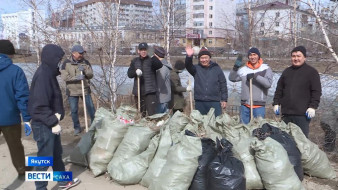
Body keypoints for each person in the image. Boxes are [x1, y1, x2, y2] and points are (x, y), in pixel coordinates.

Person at [28, 44, 80, 190]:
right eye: (58, 59)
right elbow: (38, 106)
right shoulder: (43, 76)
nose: (59, 62)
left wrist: (55, 119)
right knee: (44, 159)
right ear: (51, 58)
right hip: (44, 124)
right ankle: (41, 187)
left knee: (57, 153)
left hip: (50, 122)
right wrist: (52, 122)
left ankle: (63, 181)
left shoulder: (49, 73)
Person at [273, 46, 322, 138]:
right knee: (286, 140)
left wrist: (313, 107)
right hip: (286, 114)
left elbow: (316, 91)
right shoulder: (287, 72)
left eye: (298, 56)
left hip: (302, 115)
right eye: (293, 56)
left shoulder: (311, 72)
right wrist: (276, 103)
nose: (296, 59)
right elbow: (279, 89)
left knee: (301, 141)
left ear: (304, 57)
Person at [0, 39, 32, 179]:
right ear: (10, 54)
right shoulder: (16, 71)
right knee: (15, 145)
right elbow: (23, 97)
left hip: (9, 116)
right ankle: (21, 169)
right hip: (10, 117)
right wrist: (27, 119)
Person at [229, 47, 273, 124]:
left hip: (258, 106)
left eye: (254, 55)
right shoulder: (244, 70)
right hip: (245, 106)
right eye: (250, 55)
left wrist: (256, 76)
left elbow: (268, 84)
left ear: (258, 56)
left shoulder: (265, 68)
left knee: (258, 130)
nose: (252, 57)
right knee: (243, 129)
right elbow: (232, 78)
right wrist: (235, 68)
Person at [60, 44, 95, 136]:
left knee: (91, 108)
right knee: (74, 110)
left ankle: (93, 125)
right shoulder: (66, 63)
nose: (81, 55)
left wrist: (85, 70)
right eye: (80, 53)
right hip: (72, 91)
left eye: (82, 53)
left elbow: (91, 75)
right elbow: (65, 77)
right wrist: (77, 77)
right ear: (73, 53)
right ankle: (77, 127)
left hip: (85, 89)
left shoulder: (85, 62)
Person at [185, 46, 228, 117]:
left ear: (209, 58)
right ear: (199, 59)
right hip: (200, 101)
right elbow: (188, 65)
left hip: (214, 101)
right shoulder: (196, 69)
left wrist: (224, 99)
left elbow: (223, 84)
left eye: (206, 58)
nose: (204, 60)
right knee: (200, 123)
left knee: (215, 123)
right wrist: (189, 56)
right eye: (202, 58)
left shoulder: (216, 68)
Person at [127, 42, 163, 117]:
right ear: (138, 51)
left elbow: (159, 65)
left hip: (150, 92)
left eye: (145, 50)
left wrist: (152, 55)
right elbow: (129, 74)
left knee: (152, 115)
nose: (143, 51)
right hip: (138, 92)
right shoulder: (134, 61)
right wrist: (135, 72)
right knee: (141, 115)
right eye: (141, 50)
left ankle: (152, 127)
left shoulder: (151, 60)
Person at [154, 46, 172, 113]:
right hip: (164, 98)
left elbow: (159, 83)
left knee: (161, 120)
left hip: (161, 98)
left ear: (156, 55)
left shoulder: (162, 67)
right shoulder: (164, 65)